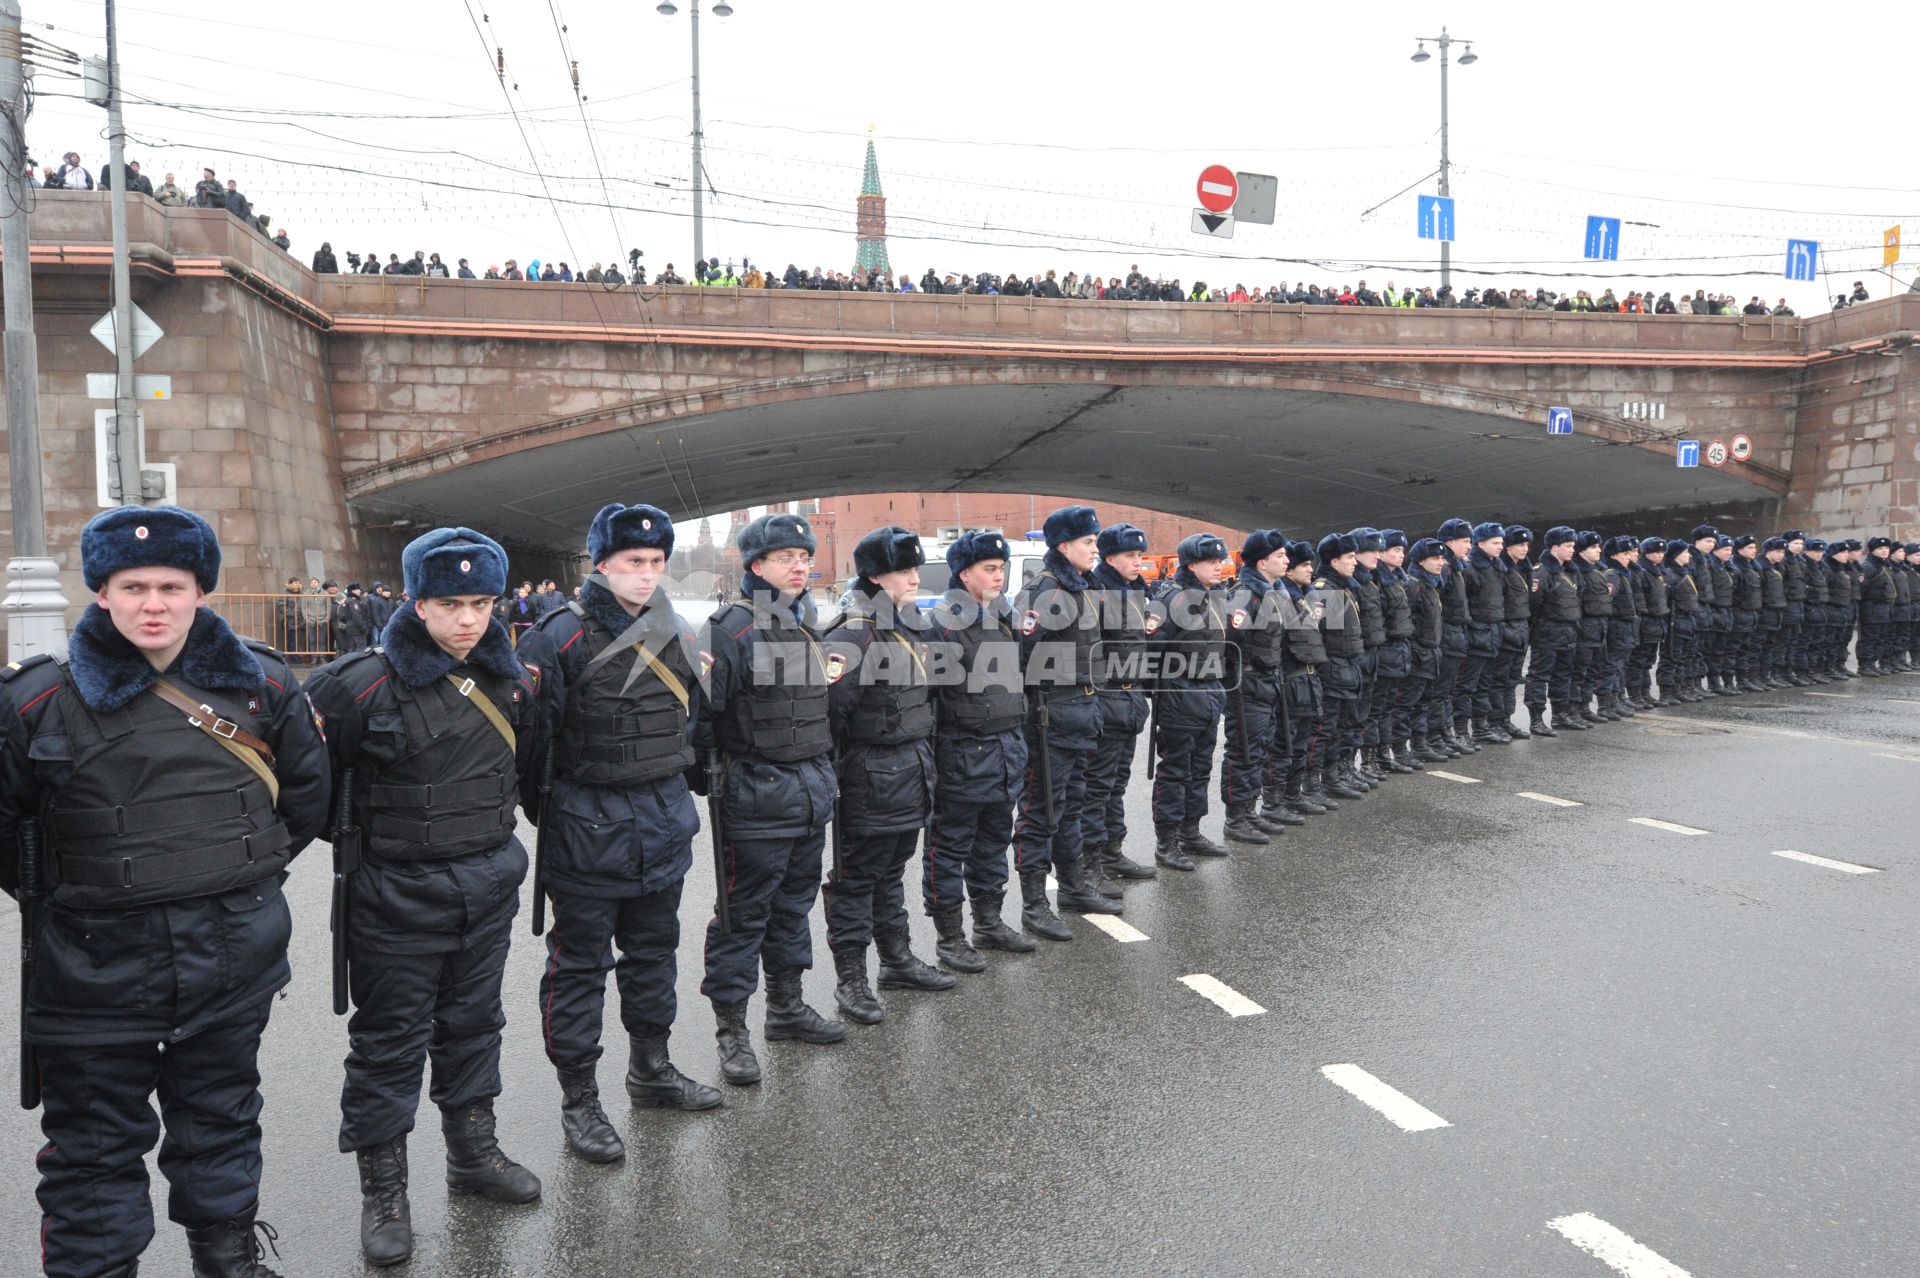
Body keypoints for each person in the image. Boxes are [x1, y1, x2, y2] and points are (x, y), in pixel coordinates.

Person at [0, 505, 329, 1278]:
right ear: (102, 593)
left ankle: (228, 1261)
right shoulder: (34, 700)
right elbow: (10, 834)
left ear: (200, 593)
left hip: (230, 961)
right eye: (133, 585)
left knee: (220, 1120)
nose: (154, 604)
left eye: (172, 586)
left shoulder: (263, 687)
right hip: (92, 972)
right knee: (93, 1151)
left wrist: (235, 885)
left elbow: (304, 804)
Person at [303, 527, 545, 1268]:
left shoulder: (514, 682)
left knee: (475, 1024)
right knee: (389, 1045)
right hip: (395, 897)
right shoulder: (353, 685)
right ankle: (386, 1193)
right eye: (448, 603)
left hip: (486, 885)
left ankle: (474, 1156)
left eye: (480, 602)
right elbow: (310, 791)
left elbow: (526, 773)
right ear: (415, 600)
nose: (467, 619)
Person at [514, 504, 720, 1168]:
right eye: (633, 562)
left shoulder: (677, 632)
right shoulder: (557, 639)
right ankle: (580, 1098)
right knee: (578, 970)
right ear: (601, 564)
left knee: (655, 955)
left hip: (661, 825)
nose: (645, 574)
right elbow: (530, 745)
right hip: (586, 831)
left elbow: (691, 726)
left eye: (656, 563)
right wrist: (567, 813)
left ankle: (651, 1068)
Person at [695, 512, 847, 1085]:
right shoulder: (730, 629)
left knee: (793, 907)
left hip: (808, 792)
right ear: (756, 566)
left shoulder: (807, 623)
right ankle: (732, 1030)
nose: (800, 565)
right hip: (756, 796)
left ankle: (786, 1007)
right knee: (742, 915)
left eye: (804, 557)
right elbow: (704, 717)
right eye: (787, 558)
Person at [819, 526, 949, 1024]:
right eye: (904, 570)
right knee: (855, 879)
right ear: (875, 575)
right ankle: (851, 979)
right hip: (868, 774)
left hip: (911, 769)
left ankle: (896, 960)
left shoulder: (909, 625)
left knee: (892, 871)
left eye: (916, 569)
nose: (915, 578)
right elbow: (833, 713)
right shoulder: (854, 633)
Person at [920, 531, 1035, 972]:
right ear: (964, 573)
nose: (998, 576)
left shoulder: (1001, 618)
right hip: (962, 754)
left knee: (992, 843)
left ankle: (988, 923)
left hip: (1004, 751)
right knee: (949, 848)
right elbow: (931, 699)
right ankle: (950, 938)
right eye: (989, 569)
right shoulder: (944, 625)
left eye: (1001, 569)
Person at [1011, 506, 1118, 928]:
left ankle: (1073, 889)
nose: (1096, 549)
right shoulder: (1045, 591)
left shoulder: (1081, 589)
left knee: (1072, 805)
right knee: (1042, 810)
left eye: (1095, 541)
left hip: (1082, 712)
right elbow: (1021, 659)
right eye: (1088, 542)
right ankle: (1035, 904)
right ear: (1063, 546)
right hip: (1050, 716)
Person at [1149, 532, 1234, 863]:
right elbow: (1152, 651)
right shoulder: (1171, 599)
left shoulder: (1213, 596)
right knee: (1175, 770)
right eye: (1211, 562)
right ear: (1191, 564)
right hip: (1180, 694)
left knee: (1200, 768)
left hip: (1210, 693)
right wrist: (1164, 691)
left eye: (1220, 561)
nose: (1219, 567)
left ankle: (1191, 831)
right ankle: (1166, 842)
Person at [1081, 523, 1158, 885]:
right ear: (1110, 557)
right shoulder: (1098, 594)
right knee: (1097, 787)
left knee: (1116, 783)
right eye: (1131, 555)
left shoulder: (1133, 592)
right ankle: (1091, 861)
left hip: (1128, 699)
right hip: (1108, 699)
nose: (1138, 562)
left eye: (1141, 556)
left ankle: (1112, 851)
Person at [1221, 530, 1290, 843]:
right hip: (1247, 683)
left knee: (1260, 749)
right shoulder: (1244, 594)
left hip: (1266, 681)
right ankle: (1235, 819)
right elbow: (1230, 644)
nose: (1286, 561)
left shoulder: (1271, 592)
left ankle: (1249, 811)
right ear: (1262, 563)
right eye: (1280, 556)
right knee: (1243, 751)